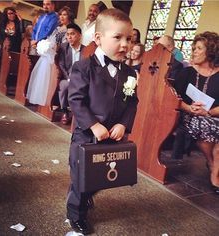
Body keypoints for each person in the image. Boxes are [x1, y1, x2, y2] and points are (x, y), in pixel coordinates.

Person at [66, 8, 139, 235]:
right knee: (81, 177)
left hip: (111, 137)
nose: (125, 44)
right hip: (86, 135)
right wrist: (93, 124)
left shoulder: (128, 72)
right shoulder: (83, 67)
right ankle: (75, 214)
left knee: (100, 174)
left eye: (129, 38)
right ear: (98, 38)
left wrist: (123, 124)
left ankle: (87, 194)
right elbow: (76, 99)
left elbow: (132, 101)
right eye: (118, 37)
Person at [174, 31, 219, 195]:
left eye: (199, 48)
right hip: (190, 115)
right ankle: (213, 166)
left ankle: (214, 167)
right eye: (194, 48)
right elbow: (173, 99)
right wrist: (189, 108)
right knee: (205, 126)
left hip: (213, 115)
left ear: (211, 51)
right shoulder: (186, 72)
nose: (194, 51)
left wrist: (209, 112)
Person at [26, 0, 59, 106]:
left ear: (53, 5)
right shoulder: (41, 17)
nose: (45, 6)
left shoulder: (54, 17)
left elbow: (48, 31)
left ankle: (42, 99)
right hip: (37, 45)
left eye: (48, 4)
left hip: (44, 46)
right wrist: (33, 39)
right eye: (44, 4)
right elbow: (35, 29)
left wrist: (38, 40)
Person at [57, 23, 85, 125]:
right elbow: (61, 64)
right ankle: (64, 111)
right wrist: (68, 77)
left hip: (80, 79)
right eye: (68, 34)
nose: (69, 37)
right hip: (67, 77)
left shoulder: (86, 50)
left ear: (79, 36)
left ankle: (78, 114)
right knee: (64, 85)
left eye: (72, 34)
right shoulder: (64, 48)